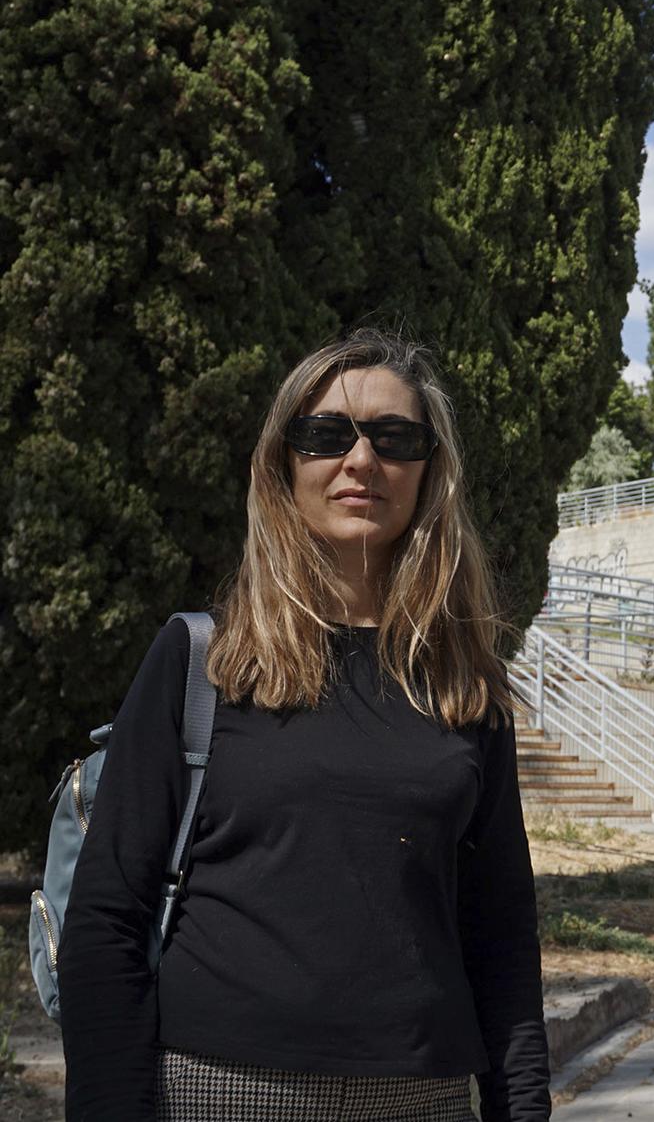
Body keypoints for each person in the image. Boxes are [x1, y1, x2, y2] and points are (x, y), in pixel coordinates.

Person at [60, 328, 550, 1120]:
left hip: (423, 1097)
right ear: (284, 465)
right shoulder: (205, 660)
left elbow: (501, 929)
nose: (362, 461)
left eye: (395, 437)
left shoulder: (464, 684)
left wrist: (522, 1107)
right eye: (327, 434)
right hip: (219, 1090)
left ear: (430, 472)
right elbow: (108, 917)